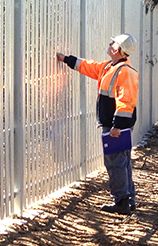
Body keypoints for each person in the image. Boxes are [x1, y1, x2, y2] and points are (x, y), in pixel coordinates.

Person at [55, 34, 139, 215]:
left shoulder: (125, 71)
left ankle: (122, 201)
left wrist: (117, 126)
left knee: (115, 162)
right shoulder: (110, 67)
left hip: (117, 126)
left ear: (117, 49)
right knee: (122, 162)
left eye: (113, 42)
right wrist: (65, 59)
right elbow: (88, 66)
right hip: (116, 124)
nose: (109, 44)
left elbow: (127, 102)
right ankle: (128, 199)